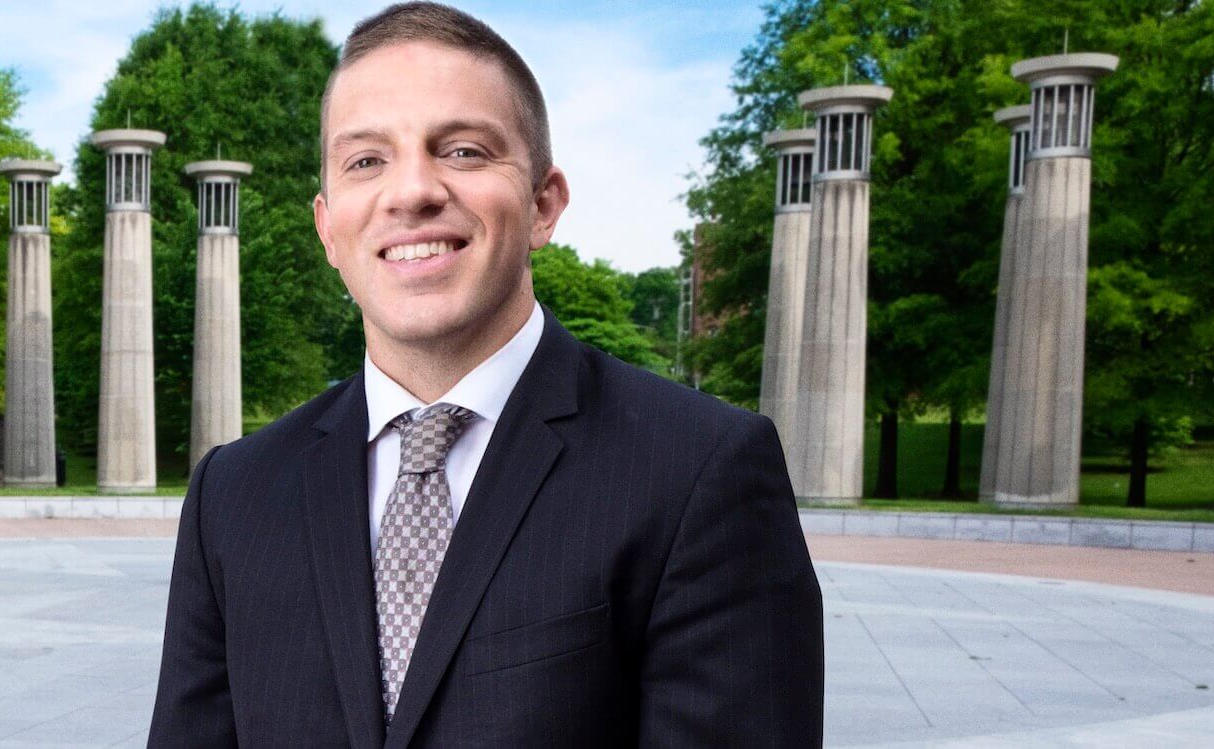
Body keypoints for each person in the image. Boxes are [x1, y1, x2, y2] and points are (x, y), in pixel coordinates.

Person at [148, 2, 823, 746]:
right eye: (366, 160)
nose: (411, 191)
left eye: (463, 150)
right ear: (327, 227)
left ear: (542, 204)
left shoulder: (700, 470)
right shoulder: (232, 493)